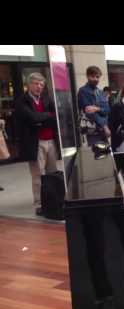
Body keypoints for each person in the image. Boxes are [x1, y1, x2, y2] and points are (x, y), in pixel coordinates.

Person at [14, 73, 61, 216]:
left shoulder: (47, 99)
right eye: (36, 83)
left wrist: (42, 119)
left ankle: (53, 200)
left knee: (52, 173)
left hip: (51, 141)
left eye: (41, 84)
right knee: (38, 176)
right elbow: (32, 118)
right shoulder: (22, 101)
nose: (39, 87)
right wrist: (45, 117)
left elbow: (56, 116)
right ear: (29, 84)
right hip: (35, 143)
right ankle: (39, 204)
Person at [77, 66, 111, 145]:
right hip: (92, 131)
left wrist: (97, 109)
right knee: (94, 153)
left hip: (102, 131)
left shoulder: (99, 92)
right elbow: (89, 112)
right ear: (87, 76)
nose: (95, 79)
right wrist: (105, 126)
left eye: (97, 77)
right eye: (93, 76)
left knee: (105, 154)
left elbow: (107, 109)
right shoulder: (83, 91)